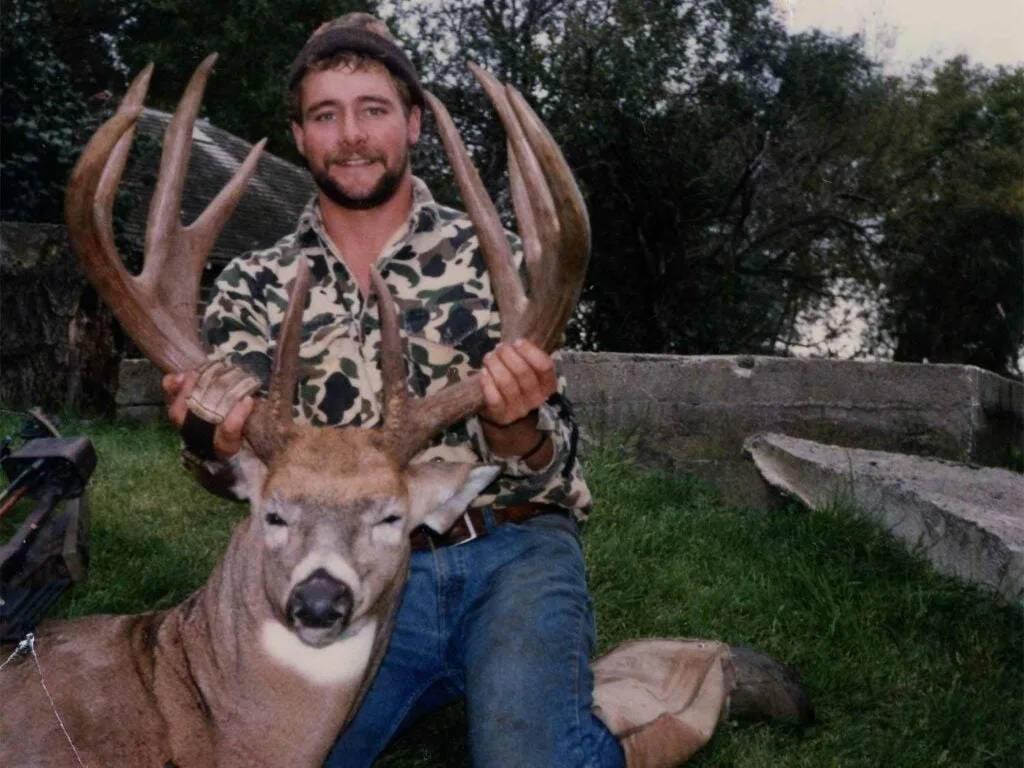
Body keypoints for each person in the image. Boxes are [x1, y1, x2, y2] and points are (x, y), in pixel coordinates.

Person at [163, 13, 812, 768]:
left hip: (510, 547)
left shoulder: (494, 262)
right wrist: (207, 435)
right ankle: (485, 683)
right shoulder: (254, 284)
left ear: (411, 124)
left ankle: (683, 680)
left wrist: (514, 429)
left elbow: (554, 466)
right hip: (348, 568)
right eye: (324, 115)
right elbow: (236, 472)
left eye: (373, 109)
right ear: (301, 134)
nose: (351, 135)